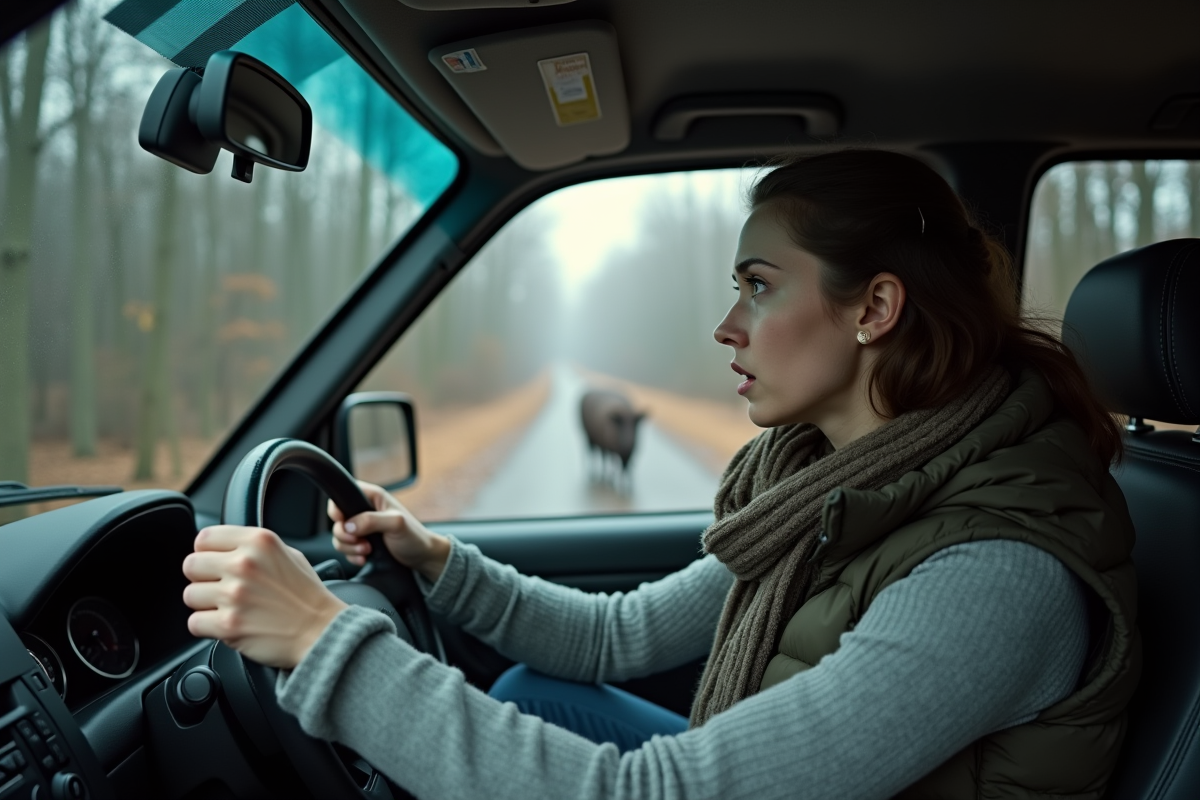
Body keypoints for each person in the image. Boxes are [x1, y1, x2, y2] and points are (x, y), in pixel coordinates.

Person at [181, 150, 1139, 799]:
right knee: (530, 691)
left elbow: (668, 794)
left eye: (759, 286)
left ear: (875, 308)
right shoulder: (829, 489)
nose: (727, 326)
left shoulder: (997, 573)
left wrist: (325, 641)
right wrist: (437, 560)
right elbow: (620, 634)